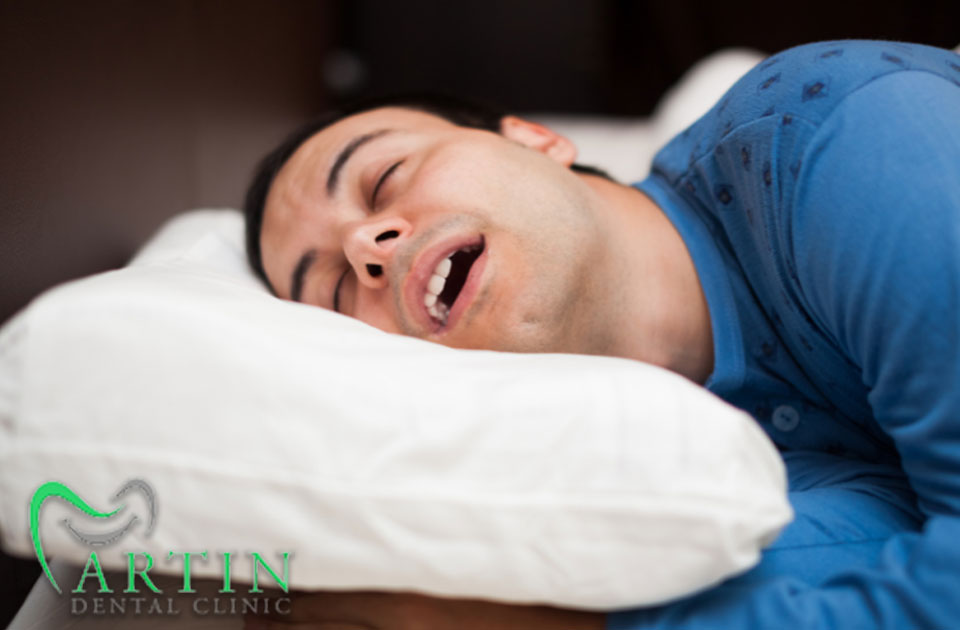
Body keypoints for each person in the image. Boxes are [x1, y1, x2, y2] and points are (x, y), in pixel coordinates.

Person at [242, 40, 960, 630]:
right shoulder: (686, 483)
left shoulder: (839, 137)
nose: (365, 246)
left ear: (537, 140)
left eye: (383, 178)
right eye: (334, 291)